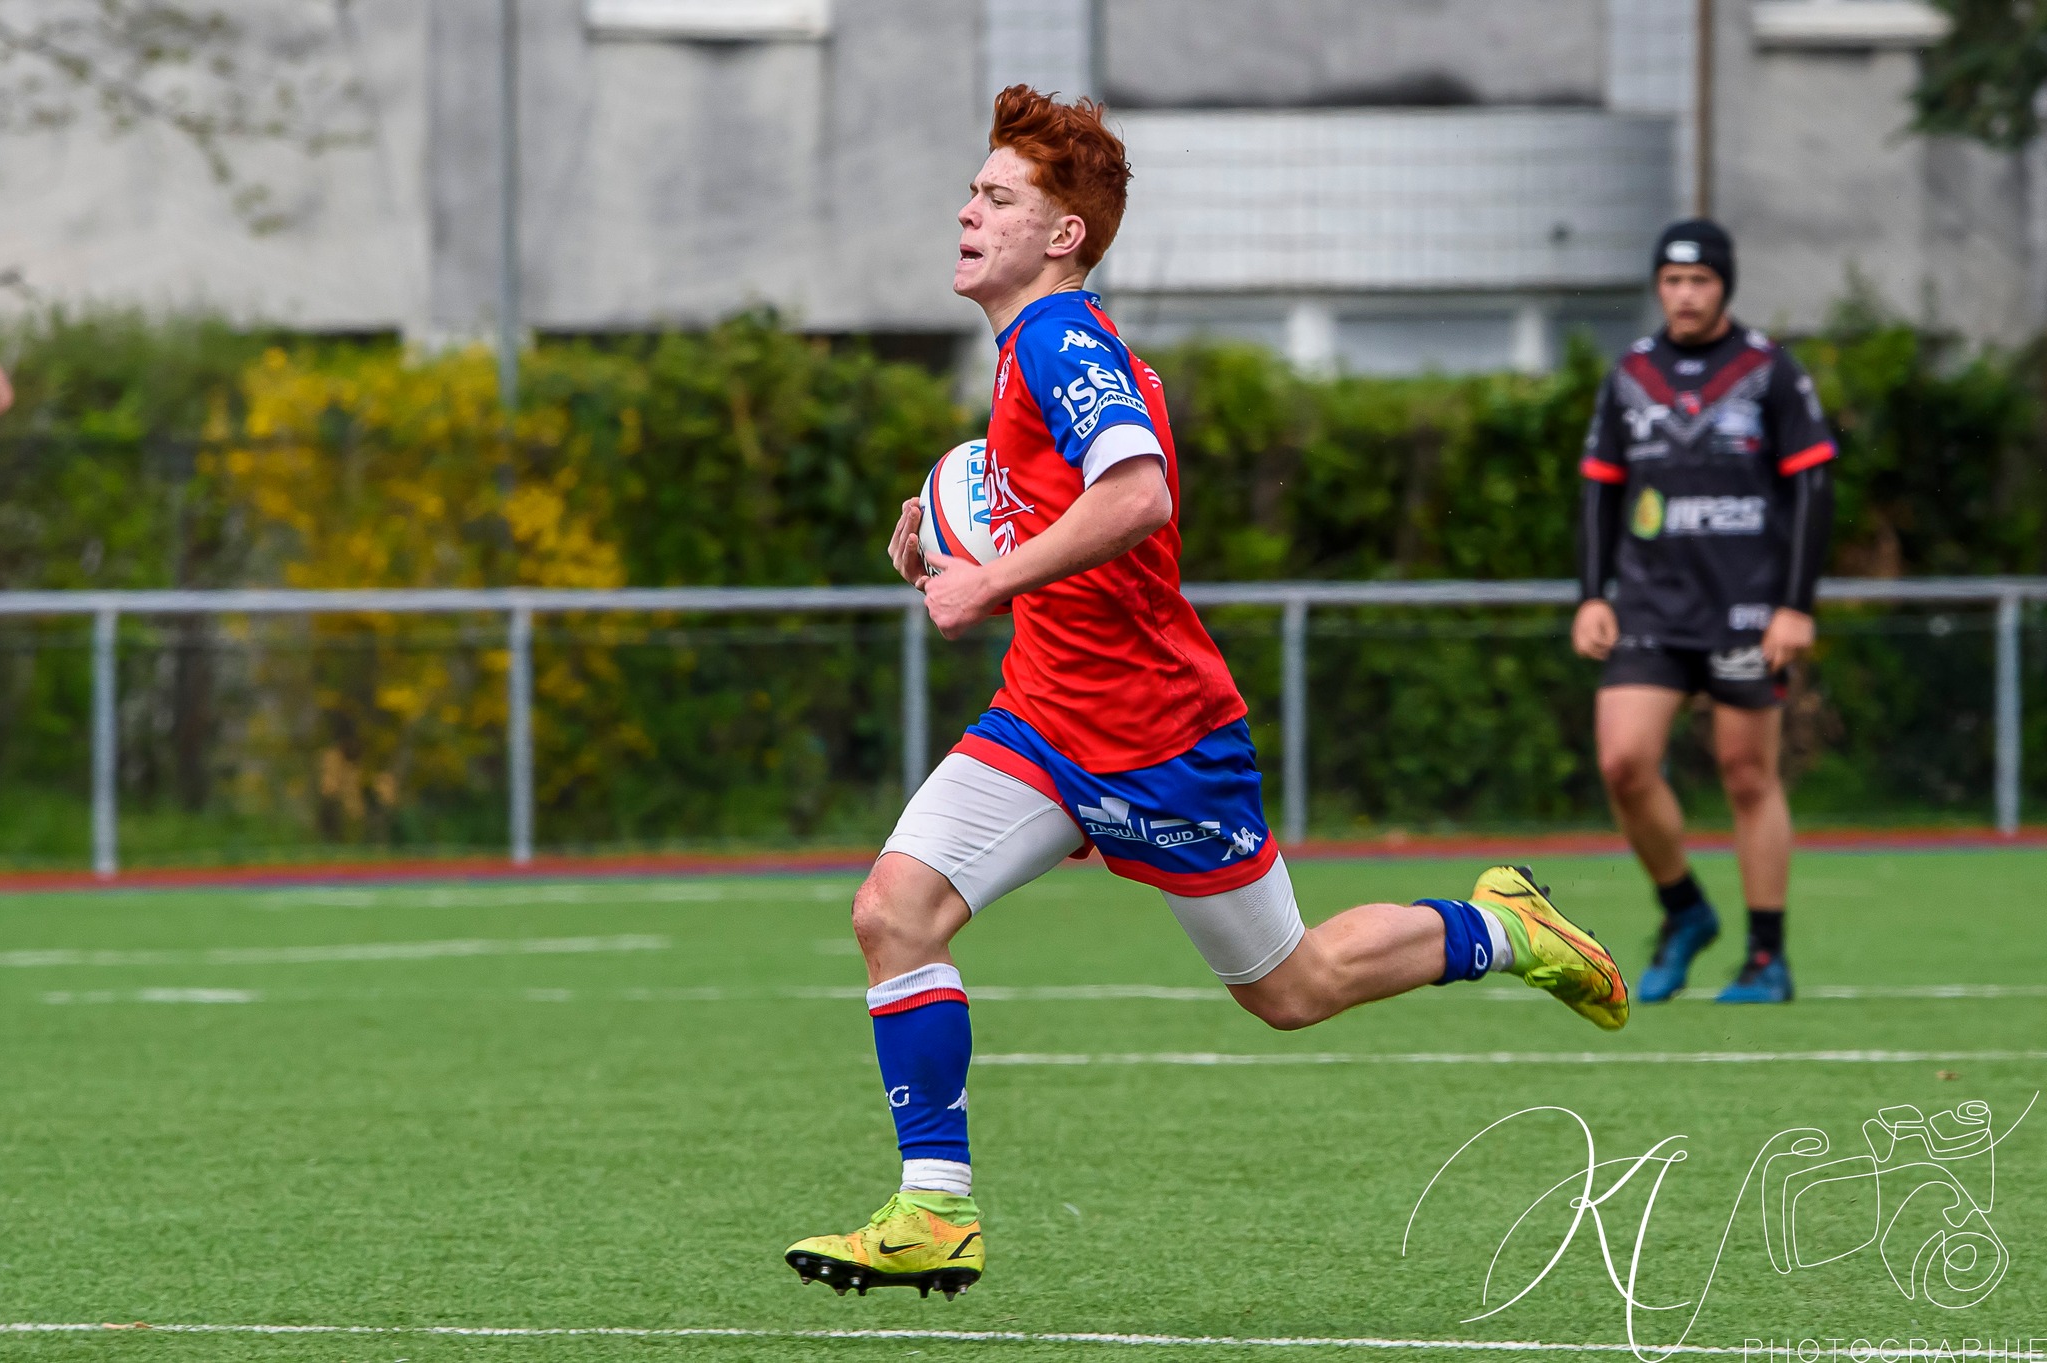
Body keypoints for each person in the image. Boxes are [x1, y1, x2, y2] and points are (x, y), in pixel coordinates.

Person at [782, 86, 1630, 1301]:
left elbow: (1137, 496)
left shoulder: (1061, 340)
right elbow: (1063, 520)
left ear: (1061, 234)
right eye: (972, 190)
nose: (966, 211)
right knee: (892, 912)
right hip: (1041, 722)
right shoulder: (1029, 352)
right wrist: (944, 546)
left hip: (1158, 741)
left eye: (996, 197)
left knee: (1290, 988)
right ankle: (934, 1211)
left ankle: (1502, 927)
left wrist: (985, 583)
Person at [1572, 218, 1836, 1007]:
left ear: (1724, 286)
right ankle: (1685, 909)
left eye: (1700, 281)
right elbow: (1599, 489)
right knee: (1623, 762)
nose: (1685, 295)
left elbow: (1813, 485)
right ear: (1658, 286)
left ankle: (1766, 956)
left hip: (1745, 608)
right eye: (1672, 280)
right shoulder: (1631, 374)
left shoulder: (1768, 370)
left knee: (1747, 774)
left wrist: (1795, 605)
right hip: (1650, 604)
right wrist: (1592, 593)